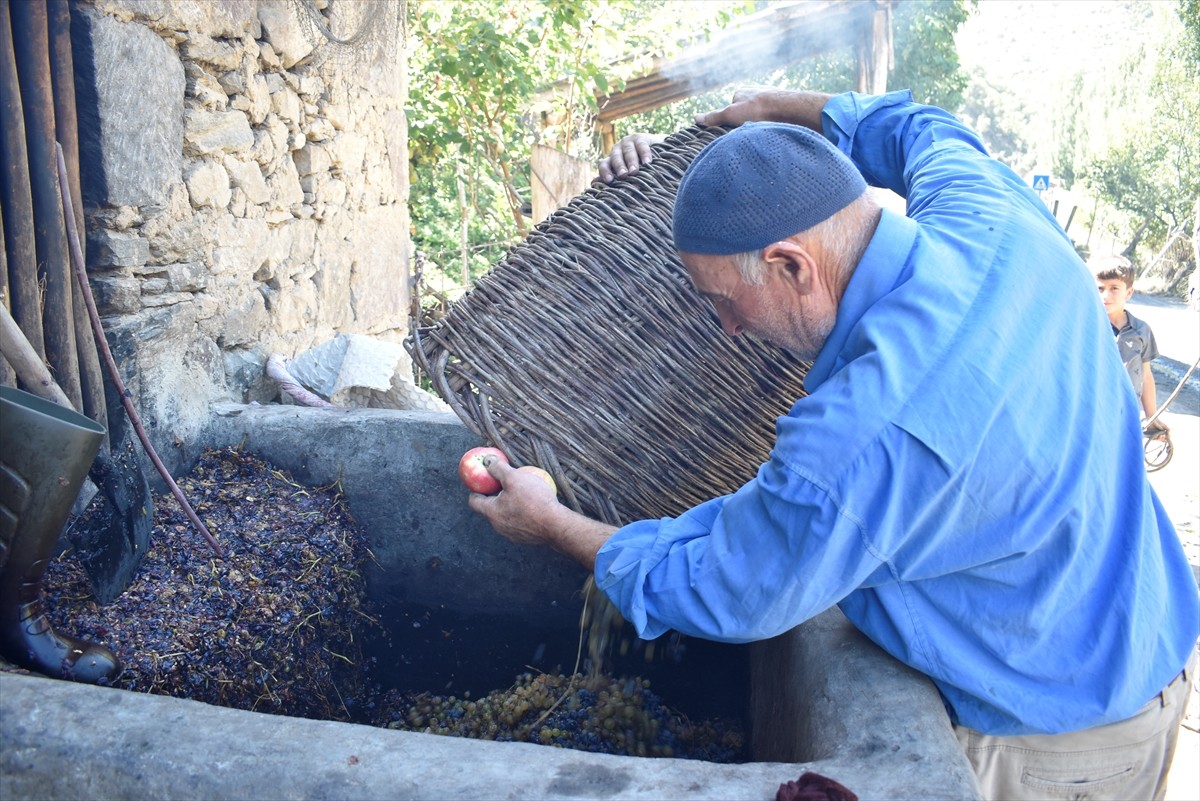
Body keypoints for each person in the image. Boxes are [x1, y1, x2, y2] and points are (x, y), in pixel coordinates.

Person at [468, 88, 1199, 801]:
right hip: (1149, 647)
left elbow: (724, 585)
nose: (725, 328)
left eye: (724, 300)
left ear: (791, 264)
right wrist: (765, 107)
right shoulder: (989, 212)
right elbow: (915, 124)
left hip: (1055, 744)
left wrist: (552, 522)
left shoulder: (859, 434)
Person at [1094, 255, 1169, 436]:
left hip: (1125, 415)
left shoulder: (1142, 330)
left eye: (1114, 288)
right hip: (1092, 412)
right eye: (1100, 288)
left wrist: (1152, 417)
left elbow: (1146, 376)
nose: (1105, 295)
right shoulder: (1088, 326)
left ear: (1128, 292)